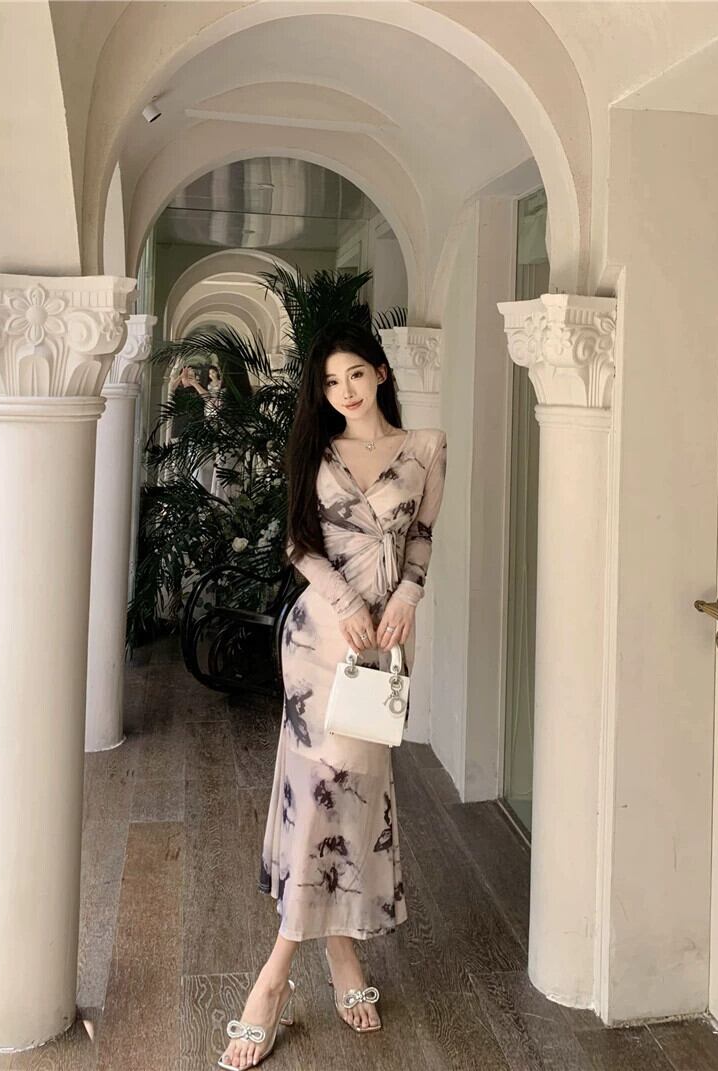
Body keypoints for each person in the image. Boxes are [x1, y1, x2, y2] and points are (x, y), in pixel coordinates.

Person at [217, 321, 447, 1070]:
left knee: (351, 798)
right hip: (320, 637)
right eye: (329, 381)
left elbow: (421, 539)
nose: (344, 390)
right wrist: (347, 602)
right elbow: (297, 541)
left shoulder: (426, 448)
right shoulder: (316, 452)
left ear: (380, 372)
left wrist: (408, 594)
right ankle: (279, 975)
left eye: (354, 374)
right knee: (322, 794)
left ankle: (336, 953)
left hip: (382, 645)